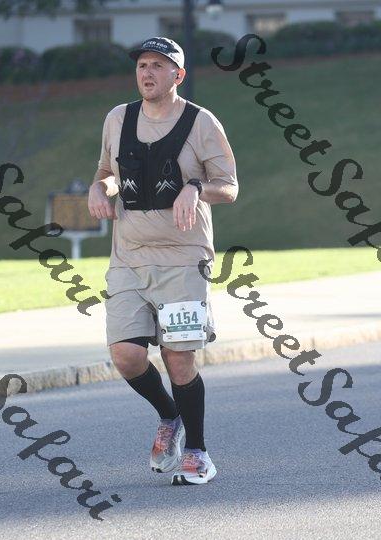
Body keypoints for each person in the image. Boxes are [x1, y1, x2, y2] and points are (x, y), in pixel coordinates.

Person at [88, 37, 238, 485]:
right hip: (128, 258)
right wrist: (99, 188)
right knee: (126, 355)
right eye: (142, 65)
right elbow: (107, 173)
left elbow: (229, 186)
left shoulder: (200, 122)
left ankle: (198, 452)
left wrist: (196, 187)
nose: (147, 72)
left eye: (158, 65)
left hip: (183, 259)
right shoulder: (118, 118)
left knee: (178, 359)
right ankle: (169, 416)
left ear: (178, 74)